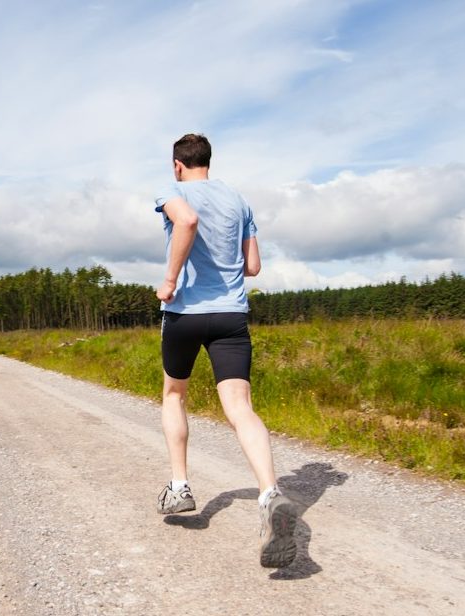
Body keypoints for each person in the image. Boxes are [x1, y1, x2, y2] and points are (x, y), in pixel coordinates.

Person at [152, 133, 297, 568]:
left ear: (177, 165)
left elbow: (187, 221)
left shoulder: (172, 191)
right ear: (207, 162)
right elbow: (252, 266)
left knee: (175, 394)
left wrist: (171, 281)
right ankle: (270, 493)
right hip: (231, 315)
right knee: (240, 407)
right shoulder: (238, 200)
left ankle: (180, 487)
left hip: (184, 314)